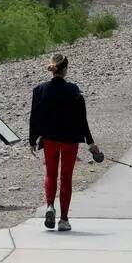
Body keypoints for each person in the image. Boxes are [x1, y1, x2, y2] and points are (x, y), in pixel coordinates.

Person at [28, 53, 98, 232]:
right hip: (70, 141)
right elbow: (83, 120)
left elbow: (34, 117)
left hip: (49, 139)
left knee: (50, 174)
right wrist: (90, 143)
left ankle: (50, 205)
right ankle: (64, 220)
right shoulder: (74, 90)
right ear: (65, 69)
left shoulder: (40, 90)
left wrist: (32, 139)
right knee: (66, 178)